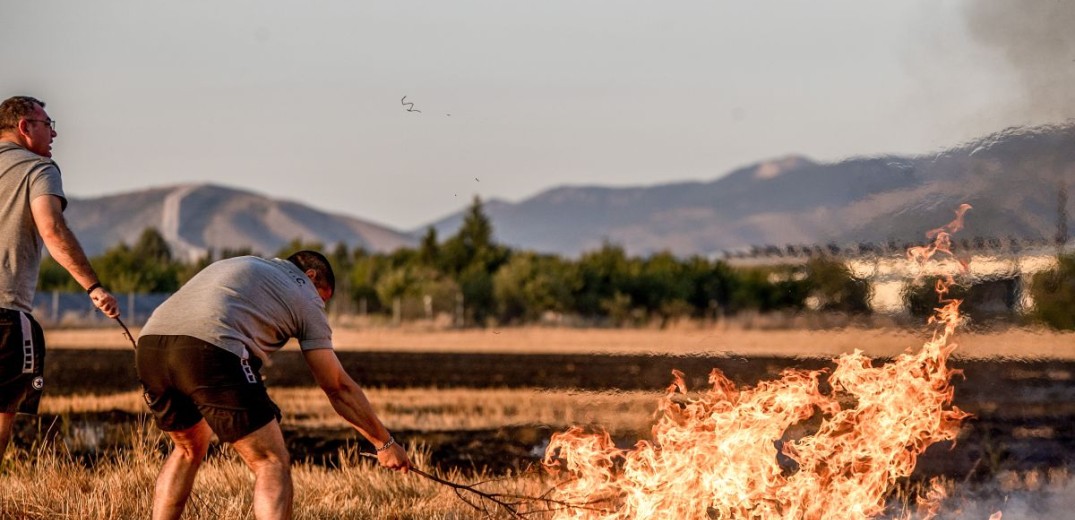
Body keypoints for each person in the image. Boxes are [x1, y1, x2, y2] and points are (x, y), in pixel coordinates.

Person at [136, 250, 410, 519]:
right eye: (323, 298)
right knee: (270, 462)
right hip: (210, 350)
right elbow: (337, 387)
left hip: (150, 347)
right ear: (311, 275)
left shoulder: (245, 265)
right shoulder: (304, 293)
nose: (321, 306)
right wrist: (384, 443)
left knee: (187, 450)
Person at [0, 95, 120, 457]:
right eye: (48, 125)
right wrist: (94, 287)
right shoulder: (37, 169)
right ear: (25, 126)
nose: (54, 134)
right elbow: (51, 229)